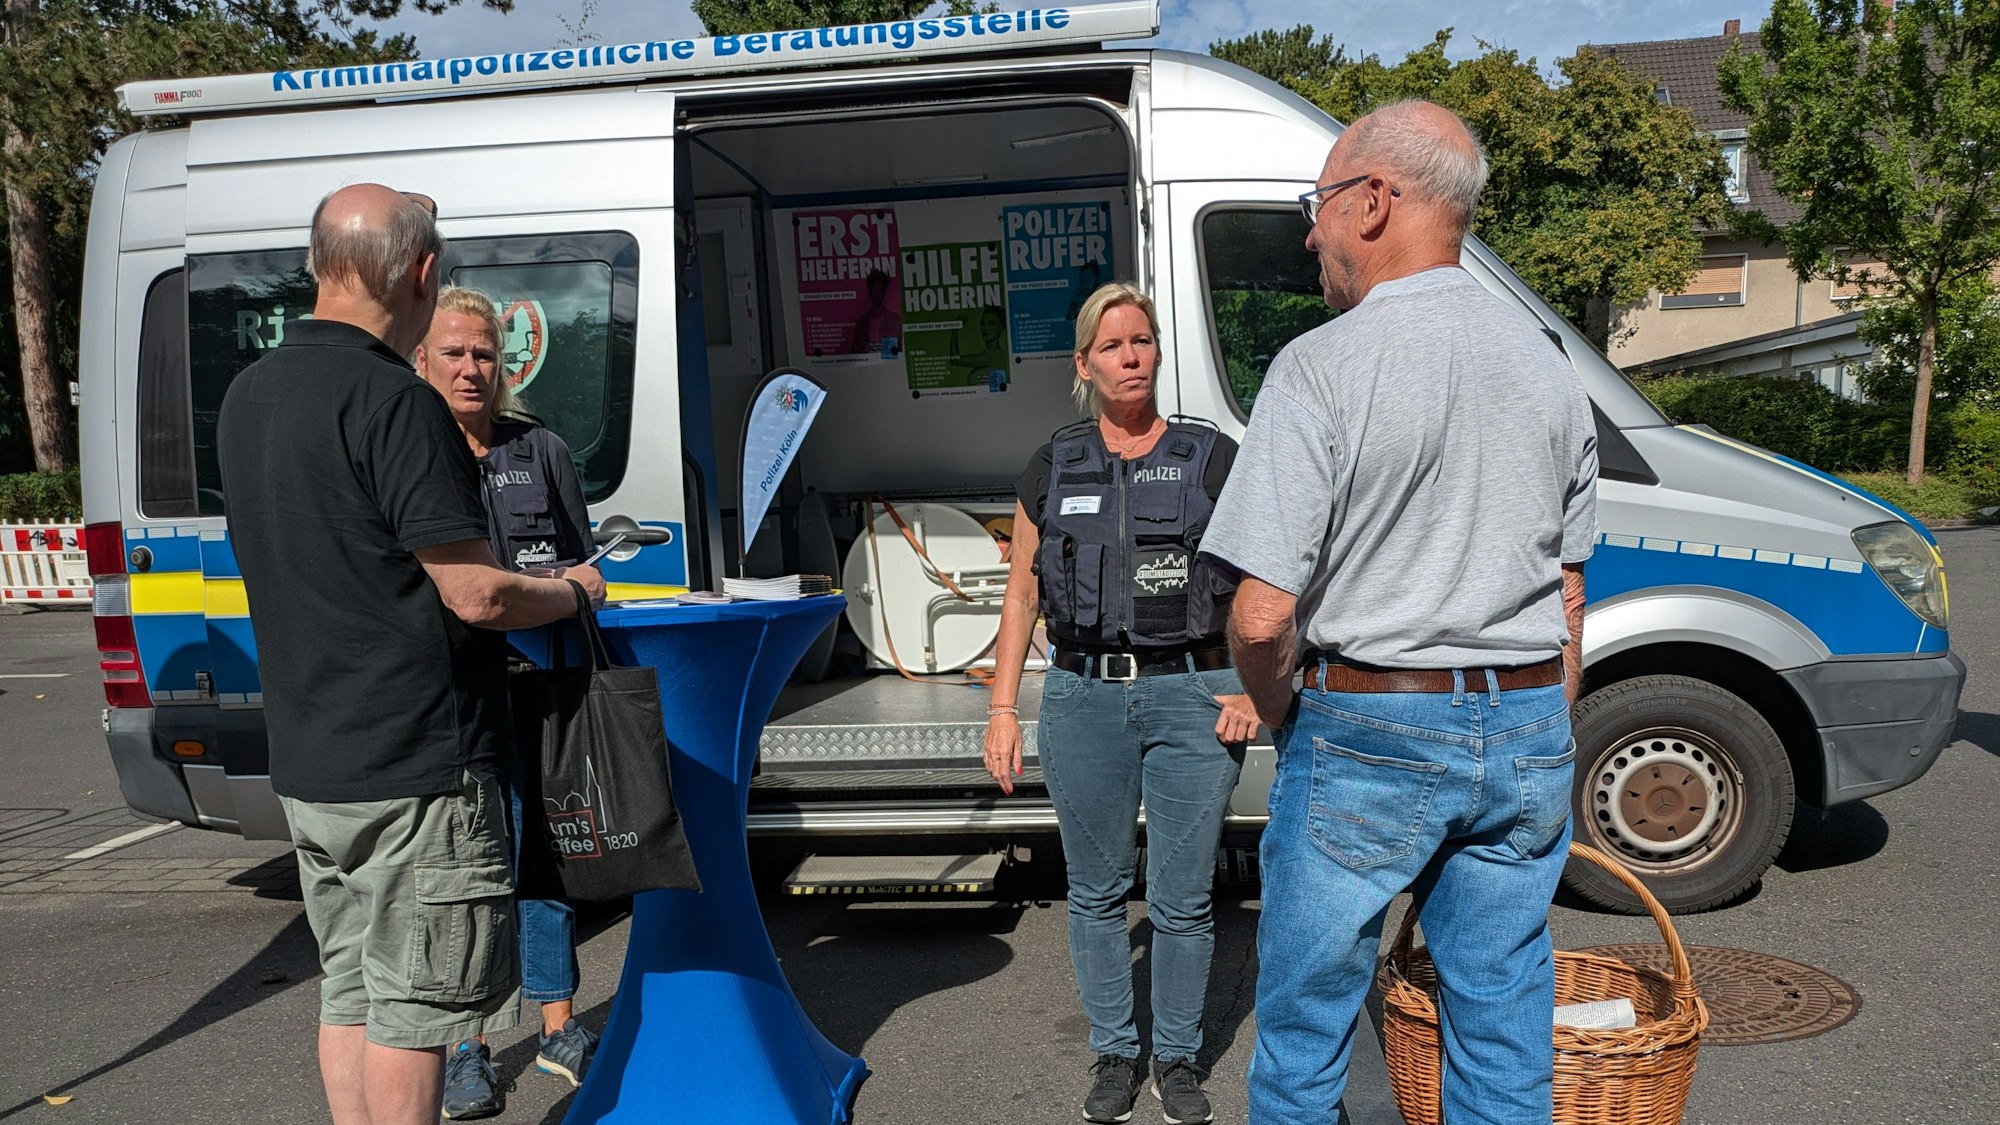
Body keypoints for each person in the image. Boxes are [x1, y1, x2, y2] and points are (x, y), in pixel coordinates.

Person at [1199, 101, 1598, 1124]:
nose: (1309, 230)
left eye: (1318, 202)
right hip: (1523, 726)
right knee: (1502, 1031)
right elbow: (1565, 590)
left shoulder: (1321, 365)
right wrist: (1540, 721)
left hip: (1364, 722)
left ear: (1374, 202)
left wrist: (1281, 712)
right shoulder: (1551, 373)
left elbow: (1257, 616)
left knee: (1301, 1042)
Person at [216, 184, 607, 1125]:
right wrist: (573, 590)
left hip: (312, 762)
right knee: (417, 1013)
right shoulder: (400, 402)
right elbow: (475, 591)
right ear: (424, 276)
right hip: (417, 767)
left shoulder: (247, 393)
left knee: (350, 992)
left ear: (319, 263)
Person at [983, 282, 1260, 1125]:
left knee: (1181, 897)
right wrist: (1002, 708)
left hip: (1191, 696)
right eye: (1111, 346)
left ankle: (1175, 1058)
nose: (1130, 356)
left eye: (1141, 340)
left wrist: (1252, 682)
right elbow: (1020, 599)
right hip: (1080, 697)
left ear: (1157, 351)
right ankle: (1114, 1052)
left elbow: (1266, 578)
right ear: (1083, 363)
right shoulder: (1051, 464)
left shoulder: (1214, 457)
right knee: (1098, 893)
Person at [413, 287, 600, 1118]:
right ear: (422, 360)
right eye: (453, 353)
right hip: (453, 706)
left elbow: (584, 568)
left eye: (483, 354)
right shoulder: (410, 454)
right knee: (470, 880)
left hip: (542, 691)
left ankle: (561, 1026)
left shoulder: (543, 450)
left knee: (544, 865)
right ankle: (467, 1049)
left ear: (505, 363)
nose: (470, 368)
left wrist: (561, 586)